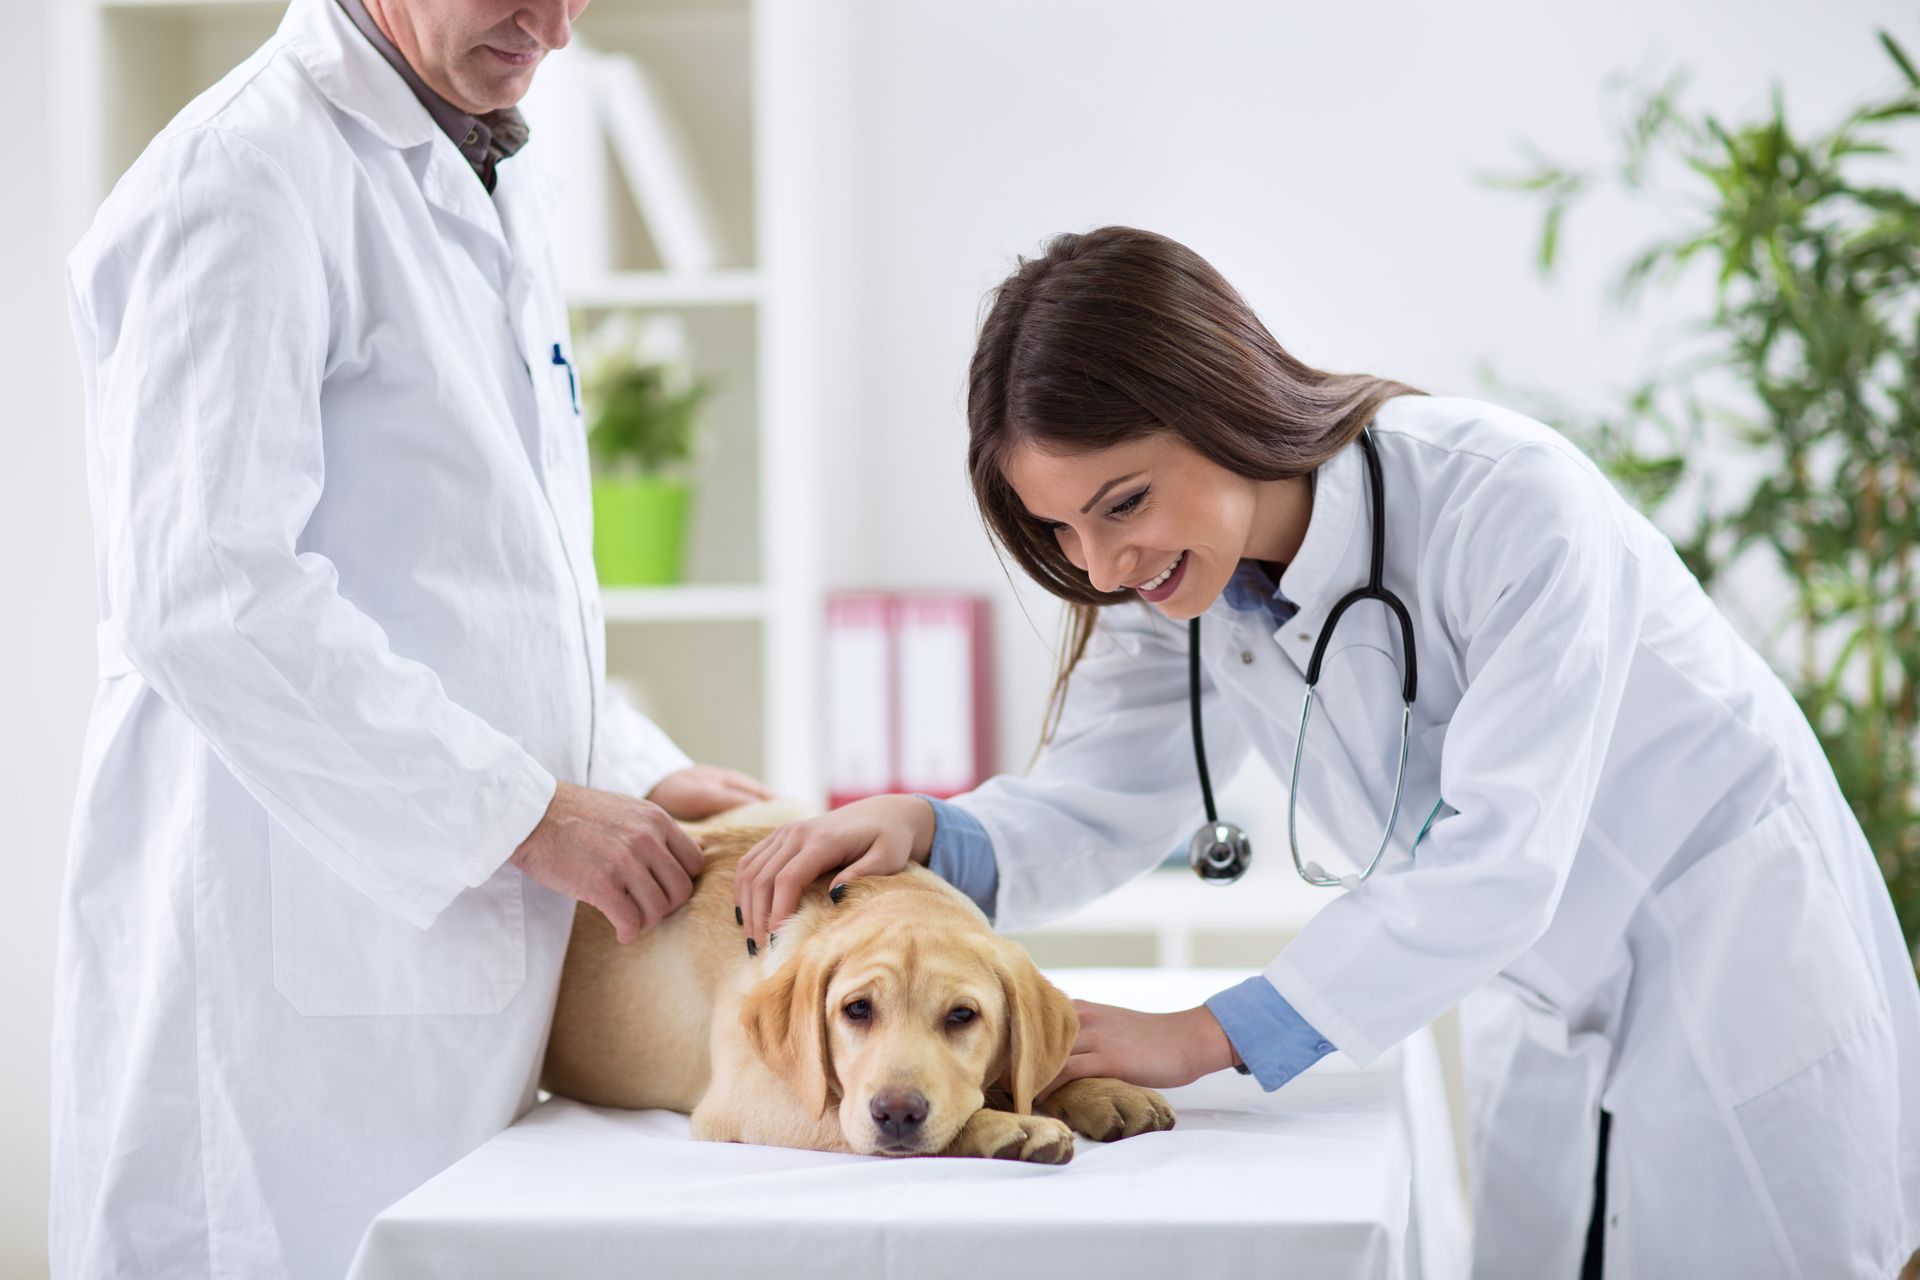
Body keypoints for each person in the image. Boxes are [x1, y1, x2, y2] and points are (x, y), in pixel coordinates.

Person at [735, 225, 1920, 1276]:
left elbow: (1498, 856)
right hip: (1552, 1005)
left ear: (1217, 401)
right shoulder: (1174, 590)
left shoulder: (1510, 501)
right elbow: (1099, 799)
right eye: (1060, 527)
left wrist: (1207, 1034)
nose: (1098, 566)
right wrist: (930, 827)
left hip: (1733, 967)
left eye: (1125, 501)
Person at [53, 1, 773, 1276]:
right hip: (281, 973)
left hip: (449, 963)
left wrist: (629, 762)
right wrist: (521, 809)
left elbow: (486, 571)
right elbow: (209, 590)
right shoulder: (242, 175)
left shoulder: (487, 158)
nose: (554, 29)